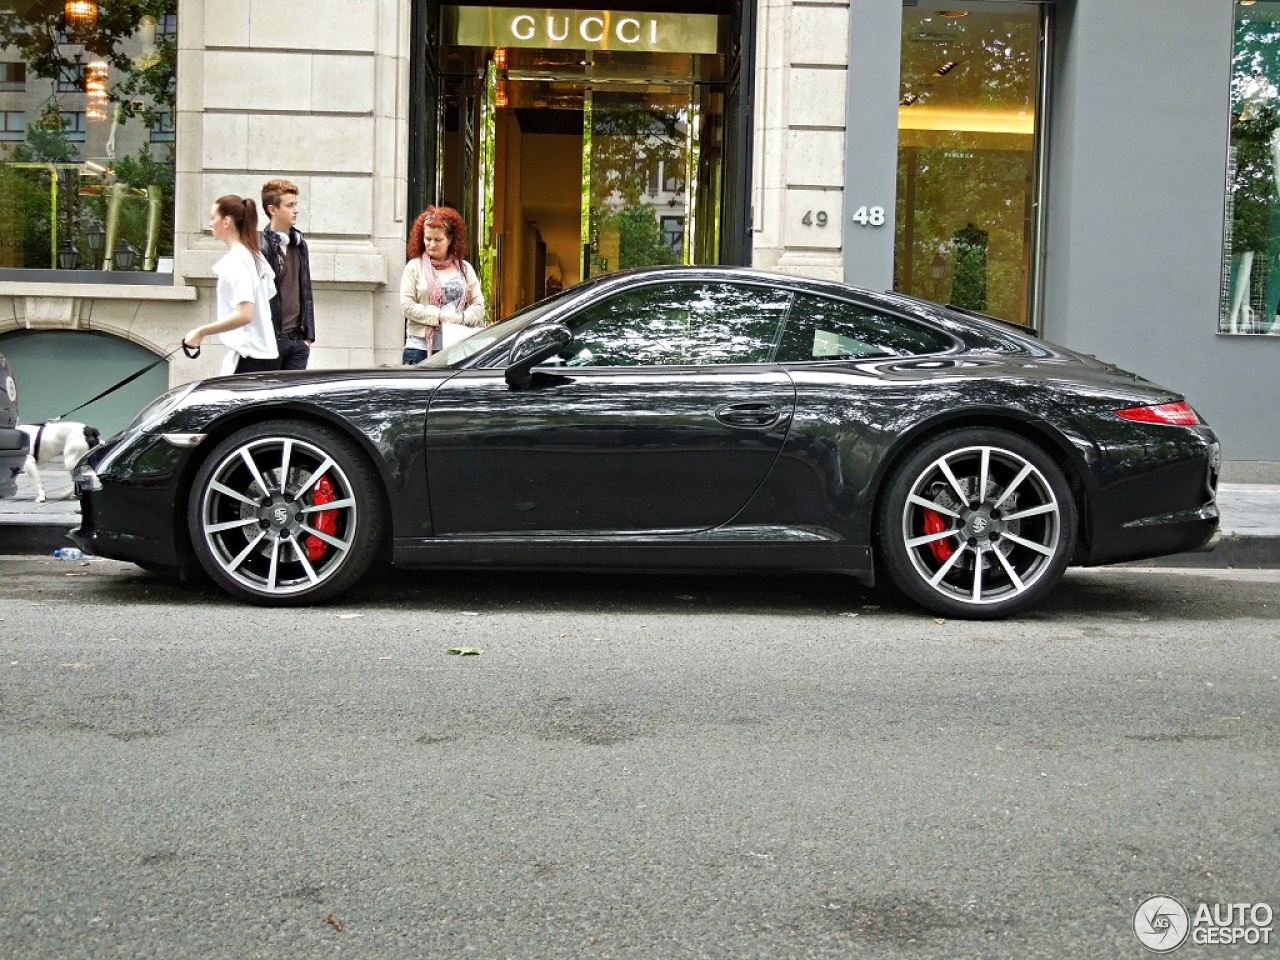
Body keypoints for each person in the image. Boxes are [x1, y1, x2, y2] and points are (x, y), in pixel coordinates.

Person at [183, 196, 279, 374]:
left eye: (213, 218)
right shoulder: (253, 257)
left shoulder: (238, 261)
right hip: (258, 357)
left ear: (226, 221)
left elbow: (245, 314)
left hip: (249, 358)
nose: (211, 223)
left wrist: (201, 332)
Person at [400, 205, 485, 364]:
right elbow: (407, 306)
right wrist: (440, 316)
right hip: (419, 350)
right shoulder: (414, 267)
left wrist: (462, 318)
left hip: (457, 347)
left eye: (438, 240)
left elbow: (479, 306)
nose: (431, 245)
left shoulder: (465, 269)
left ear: (450, 239)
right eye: (428, 239)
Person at [260, 178, 316, 369]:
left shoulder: (299, 244)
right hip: (272, 340)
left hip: (297, 341)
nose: (296, 210)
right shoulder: (262, 246)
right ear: (272, 209)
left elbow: (306, 291)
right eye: (290, 205)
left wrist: (308, 337)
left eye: (295, 204)